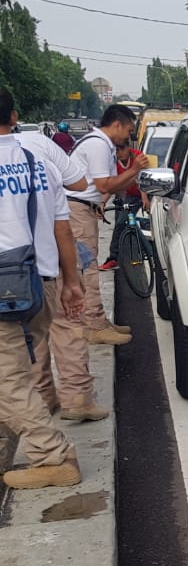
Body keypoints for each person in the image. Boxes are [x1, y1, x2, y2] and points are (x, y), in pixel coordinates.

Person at [0, 88, 87, 488]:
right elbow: (62, 228)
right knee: (23, 370)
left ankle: (52, 457)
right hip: (44, 282)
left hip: (4, 290)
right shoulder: (40, 163)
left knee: (8, 381)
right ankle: (50, 448)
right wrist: (73, 282)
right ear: (14, 115)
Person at [65, 104, 143, 346]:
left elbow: (114, 186)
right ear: (117, 124)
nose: (129, 136)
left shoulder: (104, 145)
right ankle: (95, 326)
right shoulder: (98, 145)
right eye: (129, 130)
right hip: (77, 210)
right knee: (87, 268)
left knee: (88, 264)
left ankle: (98, 321)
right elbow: (104, 185)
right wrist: (135, 169)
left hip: (84, 208)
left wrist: (133, 174)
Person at [102, 142, 148, 271]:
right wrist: (102, 203)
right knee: (120, 223)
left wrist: (144, 197)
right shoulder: (113, 162)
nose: (119, 152)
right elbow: (111, 185)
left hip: (145, 192)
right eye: (116, 150)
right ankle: (113, 258)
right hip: (128, 195)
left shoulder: (138, 157)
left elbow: (142, 178)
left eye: (121, 149)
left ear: (129, 147)